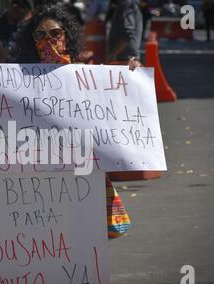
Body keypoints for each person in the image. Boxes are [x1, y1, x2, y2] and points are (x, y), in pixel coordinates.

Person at [14, 4, 132, 239]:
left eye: (55, 33)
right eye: (40, 35)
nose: (48, 40)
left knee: (86, 237)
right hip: (41, 171)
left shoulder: (86, 72)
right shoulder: (16, 76)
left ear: (66, 35)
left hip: (82, 169)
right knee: (49, 237)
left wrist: (132, 73)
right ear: (31, 41)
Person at [107, 0, 143, 70]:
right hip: (128, 59)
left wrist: (113, 54)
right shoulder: (129, 5)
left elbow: (127, 34)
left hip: (125, 60)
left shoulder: (126, 5)